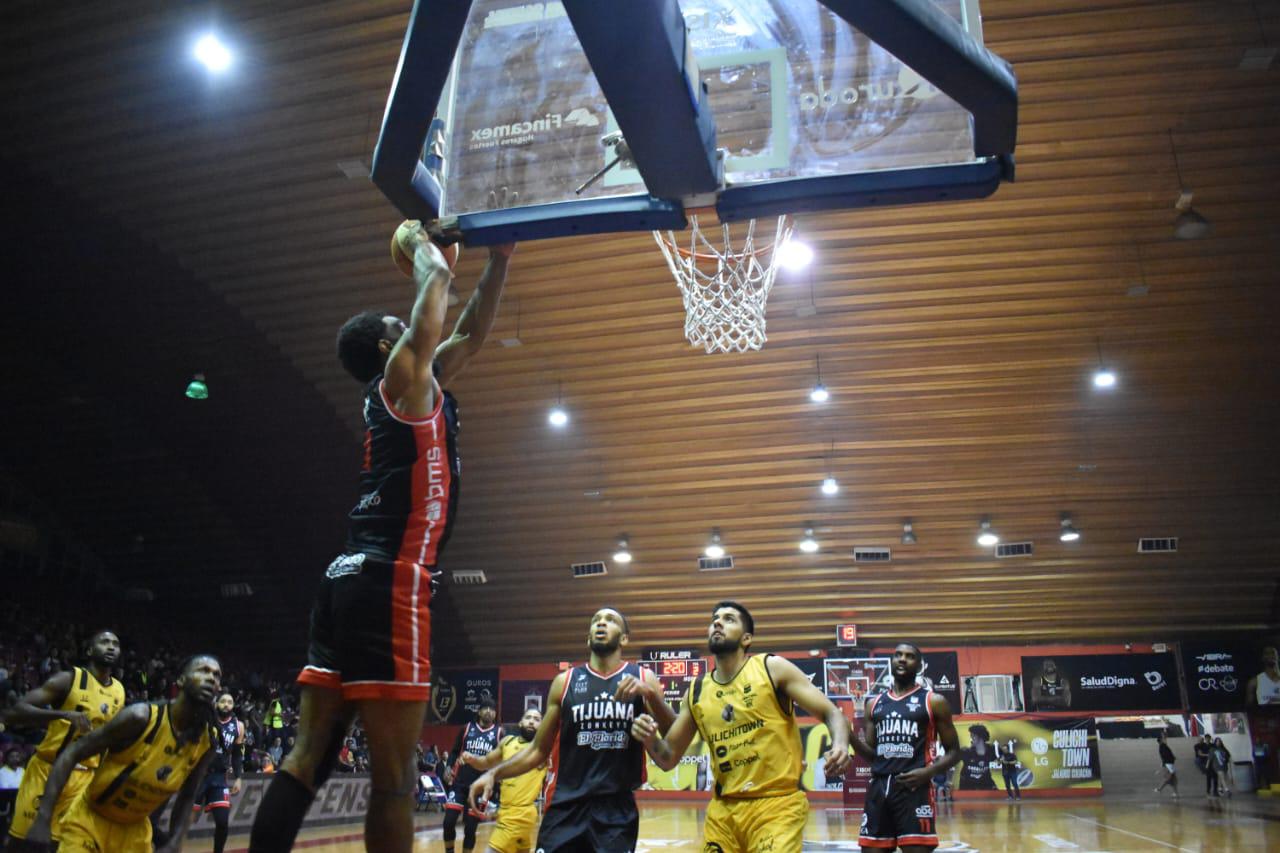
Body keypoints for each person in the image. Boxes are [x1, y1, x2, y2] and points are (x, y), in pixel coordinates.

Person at [248, 228, 514, 853]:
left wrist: (502, 258)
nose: (422, 321)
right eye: (407, 321)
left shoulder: (417, 383)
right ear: (386, 343)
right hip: (393, 574)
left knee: (307, 755)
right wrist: (420, 245)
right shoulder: (401, 373)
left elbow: (470, 332)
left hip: (345, 576)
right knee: (394, 782)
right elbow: (442, 286)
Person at [630, 601, 852, 852]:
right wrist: (649, 738)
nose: (717, 622)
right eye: (715, 618)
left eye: (728, 619)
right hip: (723, 813)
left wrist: (841, 745)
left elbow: (831, 713)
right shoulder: (697, 690)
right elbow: (668, 757)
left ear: (746, 638)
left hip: (776, 807)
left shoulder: (771, 668)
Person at [469, 608, 675, 852]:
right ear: (588, 638)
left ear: (624, 638)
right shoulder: (564, 683)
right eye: (596, 621)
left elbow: (674, 739)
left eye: (610, 620)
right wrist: (494, 774)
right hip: (565, 807)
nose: (601, 623)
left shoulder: (643, 678)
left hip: (615, 813)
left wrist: (651, 694)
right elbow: (538, 749)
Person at [23, 654, 222, 853]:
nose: (212, 678)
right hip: (90, 822)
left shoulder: (208, 740)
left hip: (135, 832)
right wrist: (43, 818)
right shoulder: (140, 717)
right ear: (181, 680)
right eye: (203, 671)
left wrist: (175, 842)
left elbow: (188, 795)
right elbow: (72, 753)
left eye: (217, 675)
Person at [4, 630, 124, 847]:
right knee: (24, 844)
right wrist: (62, 715)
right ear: (89, 650)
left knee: (67, 846)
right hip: (47, 771)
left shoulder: (119, 691)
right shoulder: (69, 679)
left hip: (84, 779)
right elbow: (14, 712)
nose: (111, 647)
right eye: (104, 642)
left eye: (115, 644)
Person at [848, 643, 961, 852]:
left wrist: (928, 773)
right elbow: (873, 755)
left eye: (909, 656)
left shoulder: (933, 701)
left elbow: (955, 751)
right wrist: (850, 737)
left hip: (914, 790)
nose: (902, 659)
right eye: (898, 655)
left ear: (919, 666)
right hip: (879, 789)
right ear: (891, 662)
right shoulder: (873, 704)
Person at [461, 708, 548, 853]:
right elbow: (486, 762)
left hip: (518, 816)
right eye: (528, 717)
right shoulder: (507, 742)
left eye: (537, 719)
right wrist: (472, 759)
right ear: (520, 723)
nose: (532, 721)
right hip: (506, 813)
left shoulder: (543, 749)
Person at [443, 698, 501, 853]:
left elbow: (502, 759)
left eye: (492, 709)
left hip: (480, 788)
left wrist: (495, 787)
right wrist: (448, 766)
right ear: (479, 711)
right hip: (460, 782)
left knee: (470, 828)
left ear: (495, 713)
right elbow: (455, 751)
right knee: (448, 822)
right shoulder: (467, 728)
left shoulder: (499, 733)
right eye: (485, 708)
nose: (489, 711)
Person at [194, 693, 246, 853]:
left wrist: (238, 777)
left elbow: (237, 755)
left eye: (230, 702)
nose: (226, 704)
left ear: (233, 706)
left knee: (223, 822)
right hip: (198, 775)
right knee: (183, 820)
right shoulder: (206, 719)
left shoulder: (239, 726)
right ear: (216, 704)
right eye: (223, 701)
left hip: (219, 778)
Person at [957, 724, 998, 791]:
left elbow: (998, 759)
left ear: (981, 736)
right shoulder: (966, 751)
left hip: (985, 782)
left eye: (973, 736)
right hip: (967, 783)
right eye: (971, 736)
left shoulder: (991, 750)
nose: (971, 738)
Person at [1154, 732, 1178, 799]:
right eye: (1163, 739)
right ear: (1161, 740)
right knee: (1170, 778)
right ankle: (1160, 789)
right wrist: (1172, 758)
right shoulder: (1162, 747)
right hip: (1168, 764)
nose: (1164, 739)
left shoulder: (1163, 746)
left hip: (1169, 763)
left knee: (1173, 779)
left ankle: (1174, 793)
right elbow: (1166, 756)